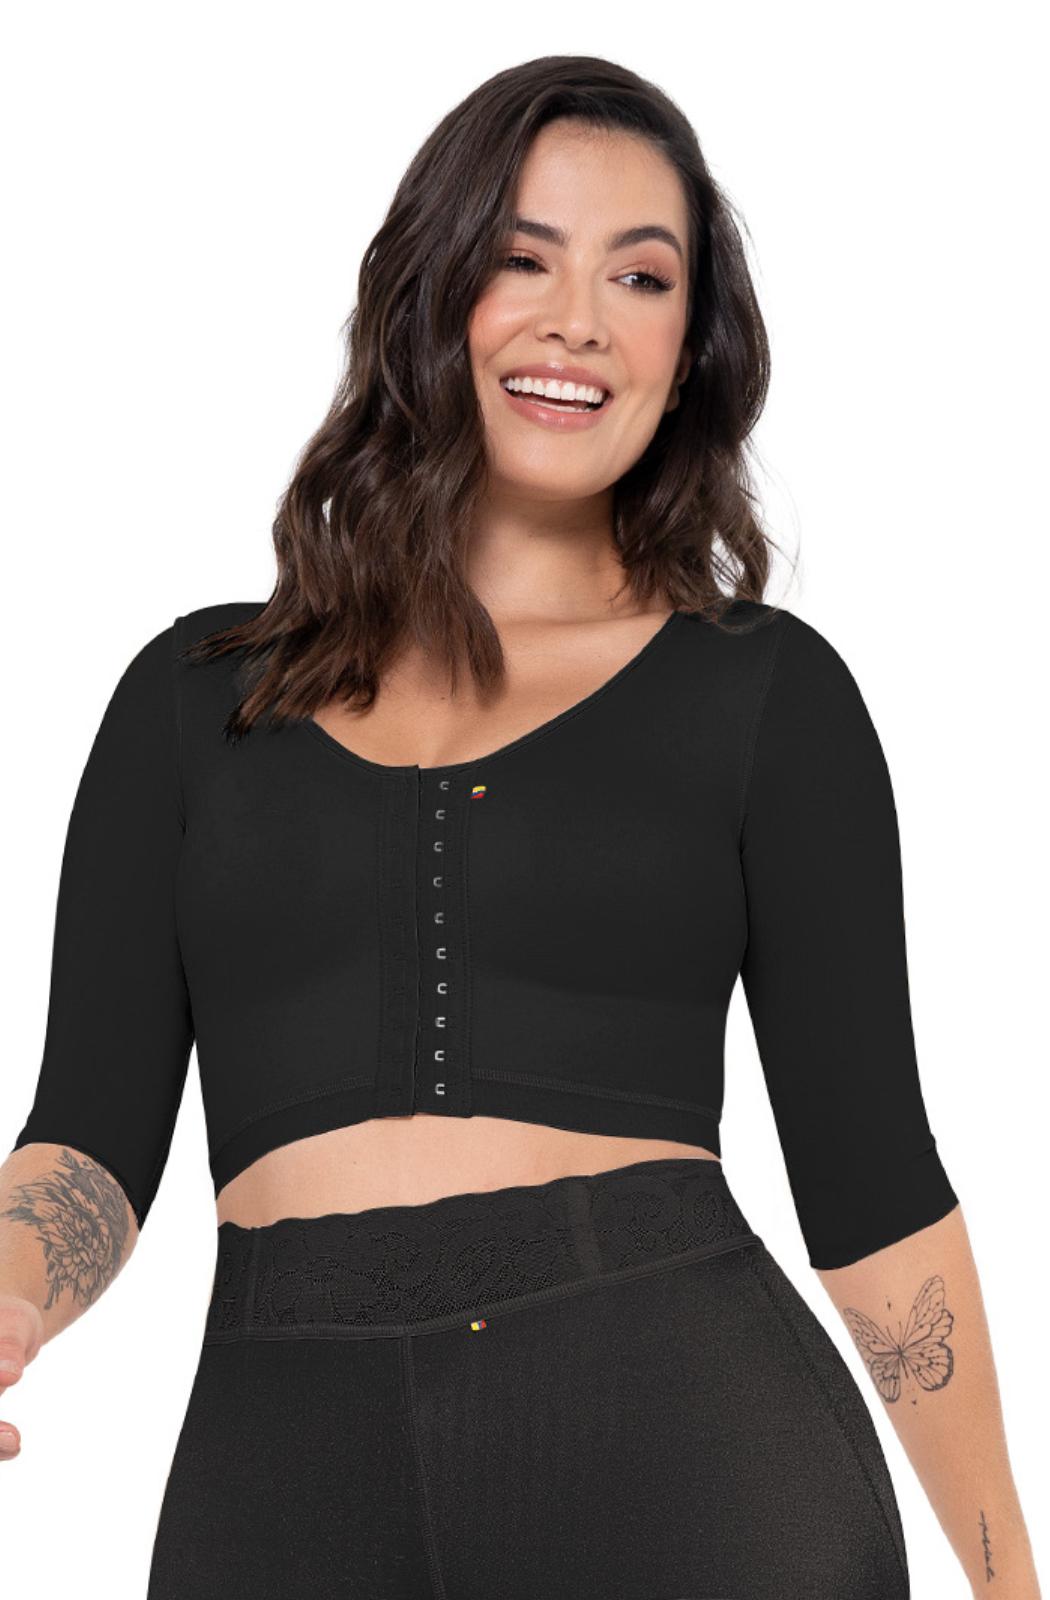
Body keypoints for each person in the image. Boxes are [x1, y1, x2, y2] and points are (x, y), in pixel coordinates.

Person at [0, 53, 1041, 1600]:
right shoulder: (195, 698)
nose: (578, 320)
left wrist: (1008, 1582)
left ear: (688, 350)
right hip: (281, 1481)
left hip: (688, 1462)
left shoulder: (762, 694)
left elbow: (871, 1181)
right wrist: (11, 1297)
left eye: (640, 276)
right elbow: (85, 1134)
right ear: (433, 294)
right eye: (522, 258)